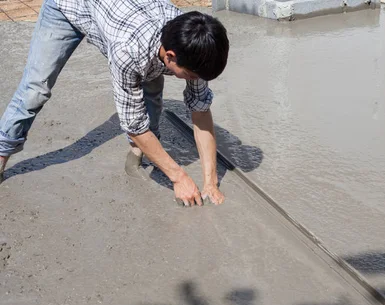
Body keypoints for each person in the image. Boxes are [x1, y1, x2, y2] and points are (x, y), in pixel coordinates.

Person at [0, 0, 229, 207]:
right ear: (170, 56)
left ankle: (139, 156)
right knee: (35, 90)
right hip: (68, 8)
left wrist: (211, 182)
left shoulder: (193, 44)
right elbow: (133, 124)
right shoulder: (128, 50)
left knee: (150, 89)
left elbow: (200, 109)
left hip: (122, 19)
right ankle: (1, 152)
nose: (194, 80)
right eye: (190, 76)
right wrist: (179, 177)